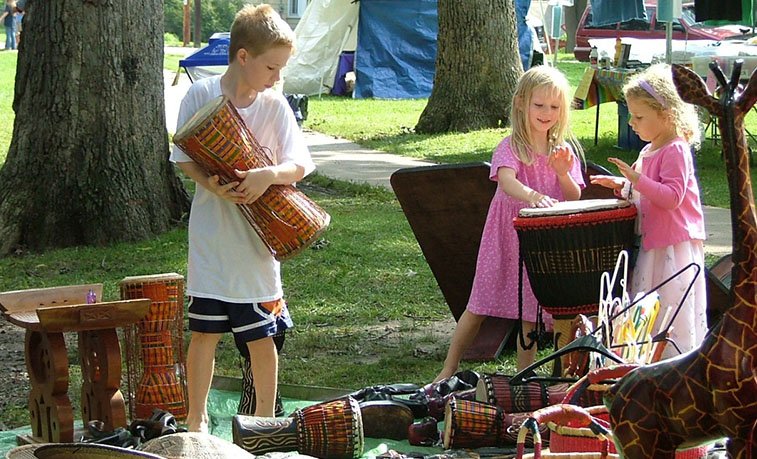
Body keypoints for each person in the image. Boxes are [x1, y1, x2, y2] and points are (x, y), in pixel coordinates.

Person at [170, 4, 314, 432]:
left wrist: (268, 175)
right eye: (271, 66)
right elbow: (183, 155)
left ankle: (266, 423)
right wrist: (212, 186)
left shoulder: (274, 106)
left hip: (257, 242)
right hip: (212, 238)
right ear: (243, 56)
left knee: (259, 335)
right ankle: (195, 421)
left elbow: (299, 164)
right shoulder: (201, 95)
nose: (276, 76)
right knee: (204, 333)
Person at [434, 66, 585, 382]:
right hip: (505, 238)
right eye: (539, 105)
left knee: (529, 313)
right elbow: (506, 181)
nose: (546, 113)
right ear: (521, 103)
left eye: (554, 107)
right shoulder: (511, 146)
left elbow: (573, 195)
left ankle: (522, 377)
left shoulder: (562, 152)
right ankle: (447, 369)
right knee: (478, 305)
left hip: (539, 244)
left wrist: (560, 172)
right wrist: (532, 195)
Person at [590, 64, 707, 359]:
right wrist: (621, 184)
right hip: (654, 243)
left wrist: (636, 179)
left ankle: (675, 357)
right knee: (648, 302)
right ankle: (649, 357)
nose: (632, 122)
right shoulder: (649, 149)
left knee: (671, 302)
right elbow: (645, 192)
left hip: (673, 246)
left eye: (639, 116)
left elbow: (671, 197)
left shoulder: (675, 150)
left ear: (667, 116)